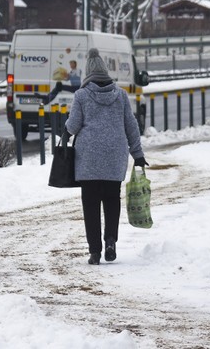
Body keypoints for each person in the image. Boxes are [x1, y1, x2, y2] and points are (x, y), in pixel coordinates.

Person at [64, 48, 147, 265]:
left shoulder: (81, 96)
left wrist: (65, 132)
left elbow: (73, 126)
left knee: (90, 205)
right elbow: (132, 126)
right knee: (112, 200)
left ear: (88, 74)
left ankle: (94, 252)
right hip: (114, 158)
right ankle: (110, 240)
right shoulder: (120, 95)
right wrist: (137, 154)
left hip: (88, 160)